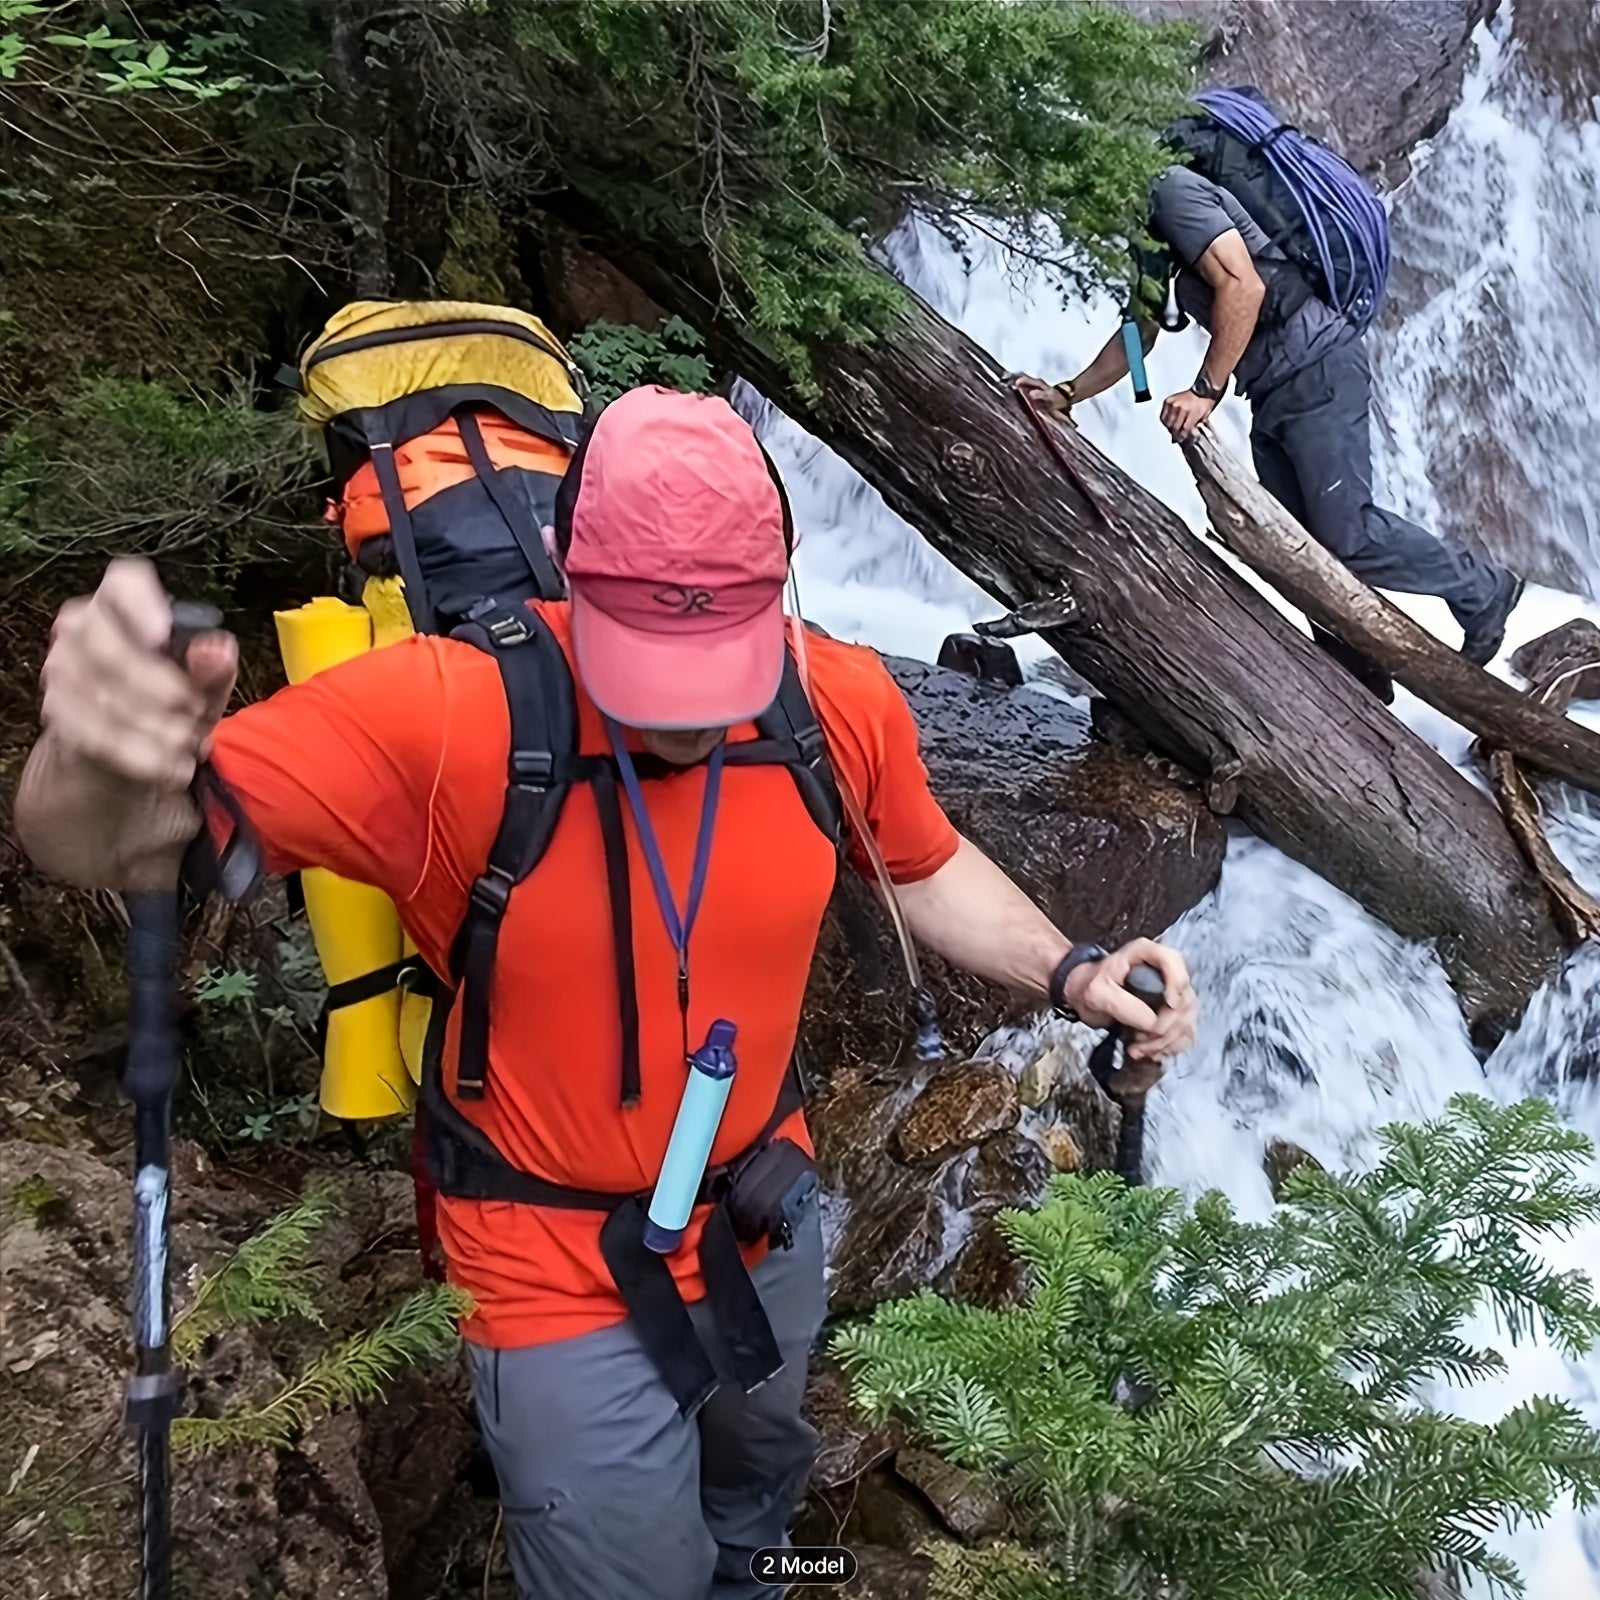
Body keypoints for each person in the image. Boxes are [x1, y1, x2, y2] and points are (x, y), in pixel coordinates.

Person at [16, 387, 1198, 1600]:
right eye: (654, 672)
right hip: (548, 1259)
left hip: (759, 1212)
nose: (688, 720)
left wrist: (1071, 969)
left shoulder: (827, 696)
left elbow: (922, 859)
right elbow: (120, 843)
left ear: (775, 600)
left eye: (716, 675)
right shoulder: (444, 714)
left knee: (759, 1506)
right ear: (573, 591)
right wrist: (95, 758)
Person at [1017, 163, 1525, 701]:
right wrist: (1069, 393)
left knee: (1346, 534)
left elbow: (1245, 285)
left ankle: (1483, 589)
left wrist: (1204, 392)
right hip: (1270, 388)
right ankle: (1357, 678)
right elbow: (1138, 335)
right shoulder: (1149, 234)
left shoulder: (1172, 193)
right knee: (1295, 549)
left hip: (1318, 369)